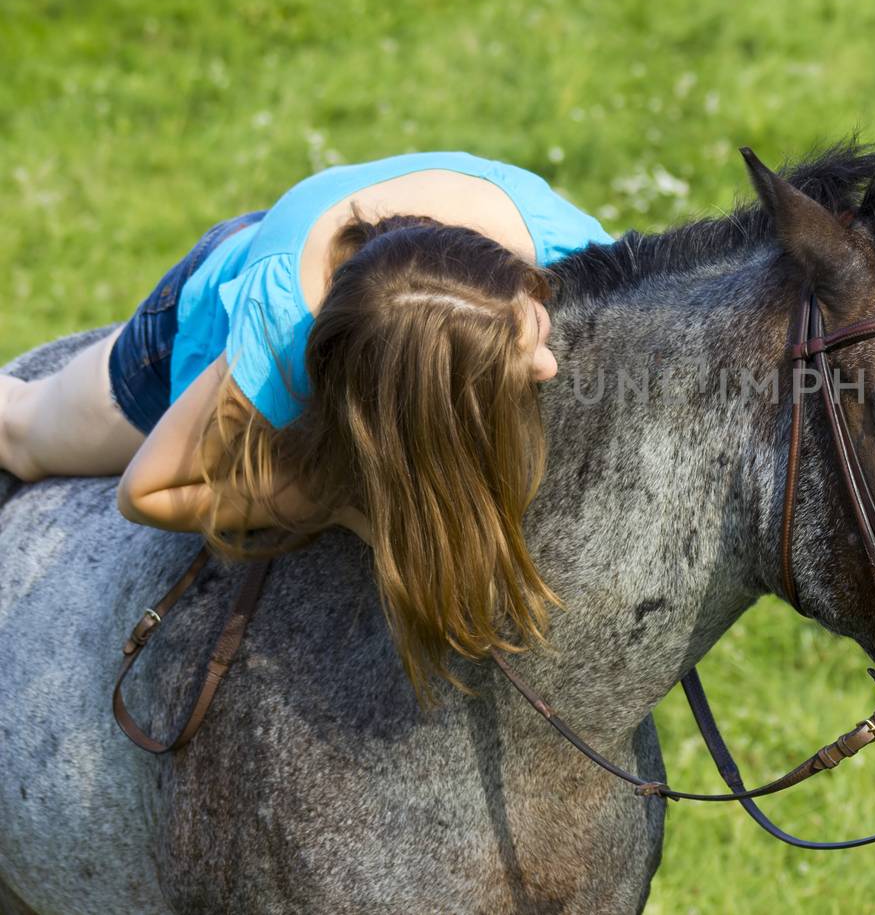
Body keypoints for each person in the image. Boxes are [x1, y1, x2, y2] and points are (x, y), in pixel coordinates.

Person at [0, 152, 612, 700]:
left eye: (535, 323)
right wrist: (334, 495)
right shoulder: (275, 340)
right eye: (520, 354)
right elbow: (145, 493)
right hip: (208, 305)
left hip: (367, 270)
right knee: (24, 434)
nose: (550, 364)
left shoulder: (566, 243)